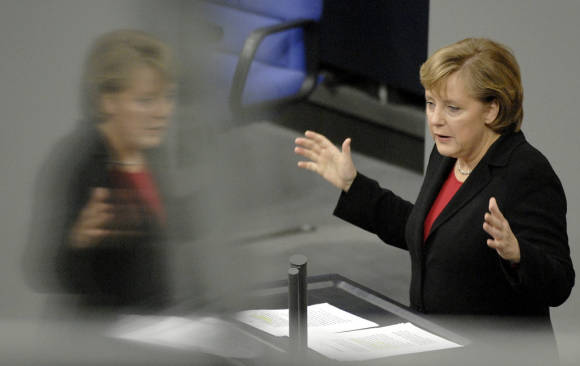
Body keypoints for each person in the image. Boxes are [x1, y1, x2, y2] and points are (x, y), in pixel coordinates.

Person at [294, 38, 574, 316]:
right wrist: (352, 184)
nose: (436, 119)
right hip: (436, 340)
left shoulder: (526, 173)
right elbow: (428, 234)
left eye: (452, 108)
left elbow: (559, 283)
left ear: (492, 109)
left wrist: (518, 253)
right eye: (430, 103)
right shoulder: (447, 155)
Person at [24, 29, 189, 313]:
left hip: (162, 324)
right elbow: (50, 269)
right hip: (113, 342)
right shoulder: (83, 166)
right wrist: (78, 240)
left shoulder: (151, 153)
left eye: (168, 97)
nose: (163, 111)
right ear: (107, 101)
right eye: (146, 100)